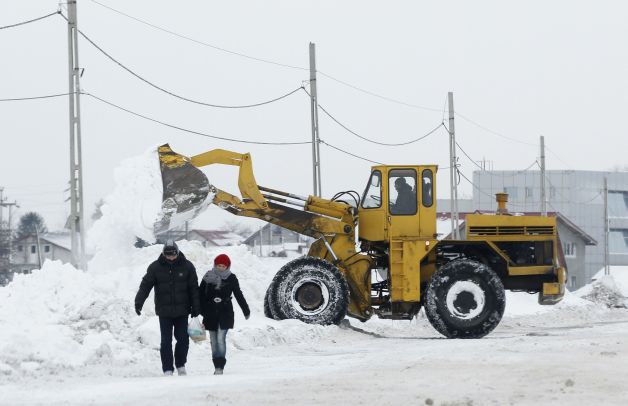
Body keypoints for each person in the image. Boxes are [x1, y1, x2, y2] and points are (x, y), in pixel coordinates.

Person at [134, 240, 200, 376]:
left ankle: (181, 364)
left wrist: (196, 306)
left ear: (177, 252)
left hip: (182, 310)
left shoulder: (187, 267)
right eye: (167, 254)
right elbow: (145, 285)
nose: (170, 256)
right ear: (163, 253)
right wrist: (139, 302)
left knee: (183, 339)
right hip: (164, 311)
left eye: (173, 253)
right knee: (166, 341)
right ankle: (167, 368)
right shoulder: (155, 267)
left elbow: (194, 288)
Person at [199, 253, 250, 375]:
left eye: (223, 266)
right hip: (210, 312)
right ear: (215, 265)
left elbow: (238, 294)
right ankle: (216, 364)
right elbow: (200, 294)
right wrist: (199, 310)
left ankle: (220, 366)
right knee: (213, 340)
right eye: (219, 265)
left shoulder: (232, 278)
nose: (221, 268)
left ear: (228, 266)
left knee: (221, 338)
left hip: (225, 312)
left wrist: (245, 310)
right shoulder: (208, 276)